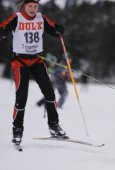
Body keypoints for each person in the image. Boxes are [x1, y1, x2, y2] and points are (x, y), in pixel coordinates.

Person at [0, 0, 68, 145]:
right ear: (24, 6)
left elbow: (53, 28)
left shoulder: (40, 18)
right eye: (30, 6)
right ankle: (17, 130)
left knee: (49, 93)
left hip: (37, 60)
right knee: (21, 97)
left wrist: (59, 29)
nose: (33, 9)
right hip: (20, 62)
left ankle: (54, 125)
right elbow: (3, 27)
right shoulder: (17, 17)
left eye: (35, 6)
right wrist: (2, 32)